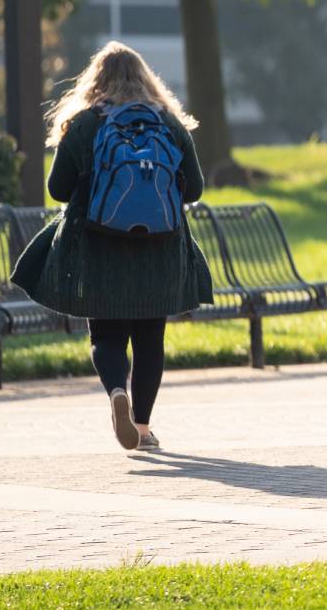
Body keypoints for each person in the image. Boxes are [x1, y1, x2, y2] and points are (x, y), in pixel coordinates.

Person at [12, 42, 215, 451]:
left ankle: (115, 393)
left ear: (95, 80)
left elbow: (58, 190)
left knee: (106, 336)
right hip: (160, 250)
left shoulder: (84, 124)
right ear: (146, 78)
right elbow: (193, 189)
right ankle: (142, 428)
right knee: (150, 340)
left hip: (98, 247)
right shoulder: (170, 125)